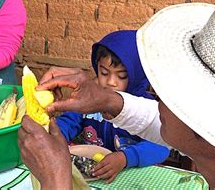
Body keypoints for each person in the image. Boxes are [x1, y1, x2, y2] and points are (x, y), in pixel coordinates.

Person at [18, 0, 215, 189]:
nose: (153, 91)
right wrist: (106, 99)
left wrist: (55, 180)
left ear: (207, 125)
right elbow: (161, 123)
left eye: (169, 88)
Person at [56, 30, 170, 183]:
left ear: (136, 75)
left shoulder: (146, 109)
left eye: (121, 76)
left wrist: (125, 158)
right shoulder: (90, 100)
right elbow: (68, 121)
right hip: (93, 174)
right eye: (104, 73)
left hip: (133, 177)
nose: (111, 82)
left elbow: (162, 148)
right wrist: (57, 136)